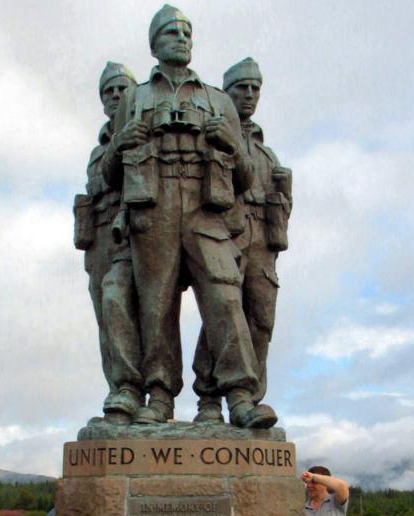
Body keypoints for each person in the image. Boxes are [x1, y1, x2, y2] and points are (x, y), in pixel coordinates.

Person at [102, 5, 277, 429]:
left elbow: (246, 177)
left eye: (186, 32)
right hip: (154, 207)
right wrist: (119, 145)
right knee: (155, 304)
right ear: (154, 44)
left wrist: (231, 144)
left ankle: (239, 395)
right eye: (170, 32)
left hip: (204, 209)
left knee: (224, 297)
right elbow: (111, 177)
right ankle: (159, 395)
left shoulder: (218, 100)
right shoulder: (135, 98)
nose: (181, 38)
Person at [193, 57, 292, 422]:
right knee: (222, 314)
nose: (249, 95)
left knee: (261, 322)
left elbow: (284, 209)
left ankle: (249, 400)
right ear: (227, 93)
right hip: (227, 234)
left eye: (255, 89)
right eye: (241, 88)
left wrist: (284, 195)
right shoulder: (213, 135)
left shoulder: (267, 155)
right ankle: (209, 398)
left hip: (263, 242)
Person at [74, 62, 144, 421]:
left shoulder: (141, 132)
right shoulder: (97, 149)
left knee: (126, 305)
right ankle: (119, 391)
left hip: (134, 233)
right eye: (109, 91)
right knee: (106, 316)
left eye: (121, 89)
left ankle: (134, 387)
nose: (115, 96)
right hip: (99, 237)